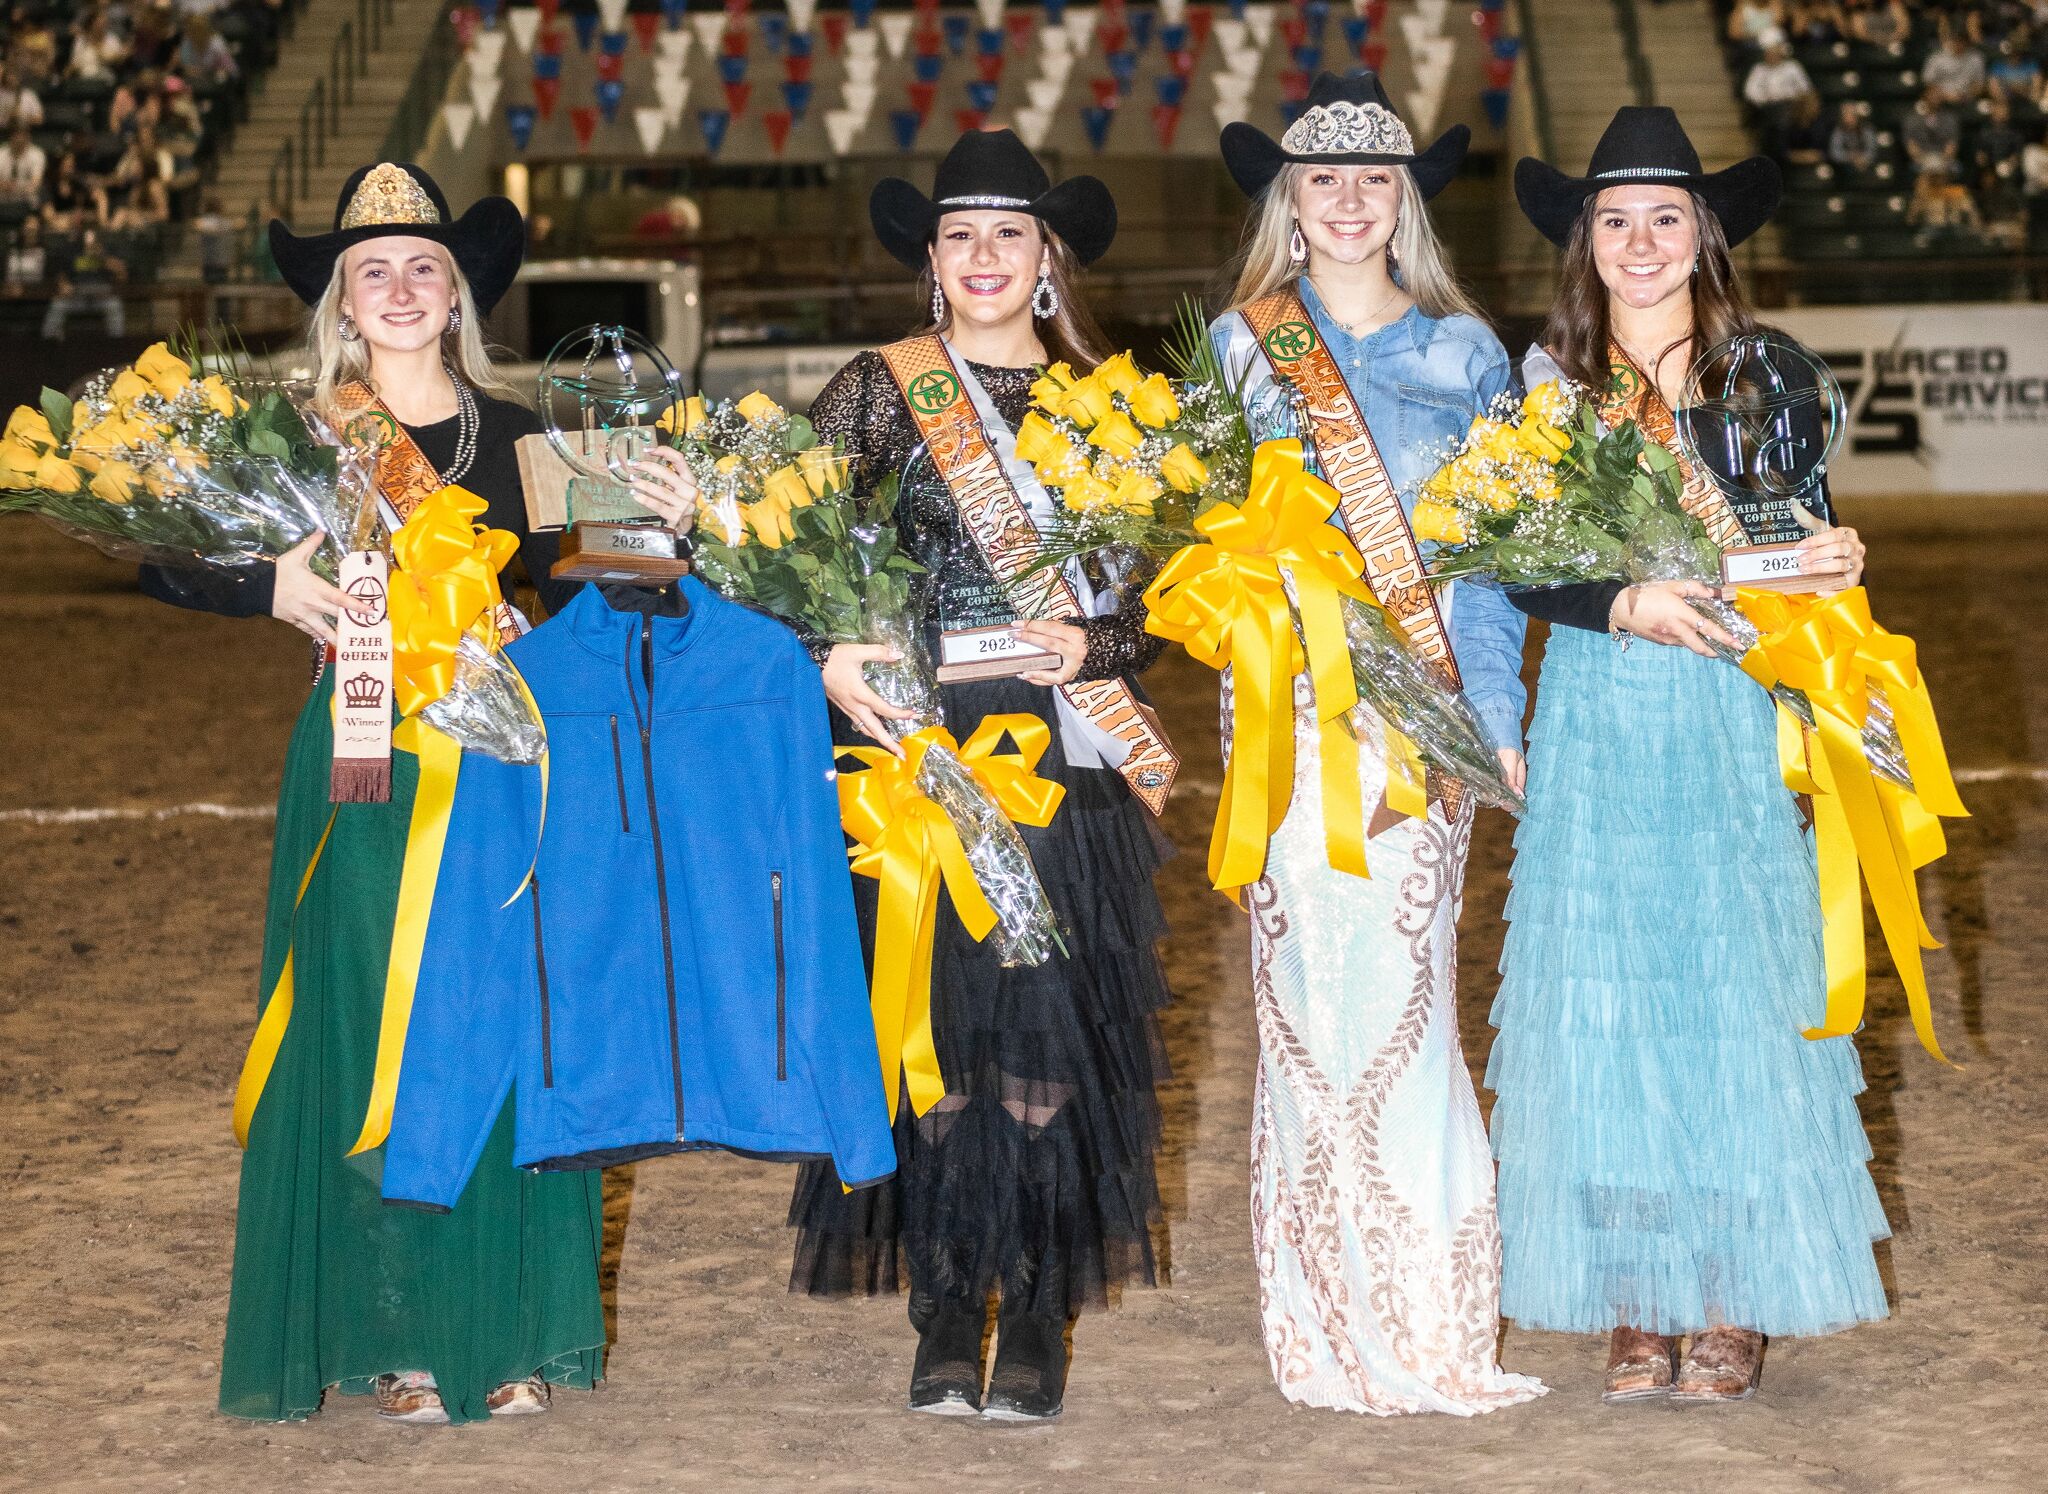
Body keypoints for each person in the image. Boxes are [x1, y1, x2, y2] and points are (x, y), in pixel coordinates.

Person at [137, 162, 699, 1426]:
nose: (398, 287)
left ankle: (497, 1326)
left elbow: (637, 579)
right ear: (341, 298)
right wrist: (262, 589)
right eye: (370, 268)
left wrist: (678, 512)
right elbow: (158, 551)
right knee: (362, 1031)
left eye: (422, 267)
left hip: (503, 765)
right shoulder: (297, 429)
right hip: (358, 762)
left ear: (457, 296)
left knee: (495, 1029)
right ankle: (396, 1335)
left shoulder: (527, 437)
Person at [1493, 106, 1884, 1406]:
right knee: (1610, 995)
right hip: (1600, 708)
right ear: (1586, 243)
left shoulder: (1758, 373)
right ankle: (1638, 1294)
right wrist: (1619, 602)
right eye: (1617, 219)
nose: (1643, 241)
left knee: (1729, 989)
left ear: (1705, 234)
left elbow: (1797, 550)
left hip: (1726, 716)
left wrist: (1832, 560)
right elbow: (1514, 561)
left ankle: (1728, 1293)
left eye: (1668, 216)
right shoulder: (1543, 380)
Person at [787, 128, 1175, 1422]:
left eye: (1012, 233)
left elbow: (1158, 600)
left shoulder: (1108, 401)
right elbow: (776, 553)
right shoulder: (877, 391)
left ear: (1049, 260)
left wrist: (1095, 639)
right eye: (961, 234)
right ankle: (950, 1295)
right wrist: (829, 654)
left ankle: (1041, 1301)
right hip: (912, 747)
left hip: (1059, 755)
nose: (986, 255)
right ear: (932, 262)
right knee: (939, 1032)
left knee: (1044, 1031)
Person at [1199, 71, 1542, 1418]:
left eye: (1374, 180)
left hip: (1419, 721)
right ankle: (1322, 1319)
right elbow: (1202, 553)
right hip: (1285, 726)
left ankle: (1426, 1314)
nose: (1348, 202)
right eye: (1322, 181)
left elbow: (1498, 569)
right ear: (1291, 202)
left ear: (1405, 201)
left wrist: (1498, 726)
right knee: (1298, 1017)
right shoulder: (1237, 347)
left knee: (1406, 1010)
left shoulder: (1470, 359)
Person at [39, 225, 125, 339]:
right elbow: (61, 273)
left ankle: (116, 347)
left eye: (93, 239)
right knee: (58, 305)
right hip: (76, 295)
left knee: (114, 305)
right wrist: (64, 284)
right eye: (87, 238)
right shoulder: (72, 251)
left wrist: (101, 256)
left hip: (101, 295)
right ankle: (47, 344)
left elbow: (121, 272)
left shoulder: (106, 251)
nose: (89, 242)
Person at [1924, 27, 1990, 102]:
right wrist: (1945, 95)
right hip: (1940, 97)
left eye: (1961, 41)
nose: (1958, 44)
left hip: (1967, 99)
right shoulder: (1937, 57)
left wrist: (1965, 96)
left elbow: (1979, 85)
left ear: (1967, 42)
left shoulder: (1976, 58)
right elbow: (1928, 82)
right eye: (1955, 40)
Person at [1827, 100, 1881, 172]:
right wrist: (1851, 157)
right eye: (1846, 115)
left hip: (1867, 165)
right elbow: (1834, 153)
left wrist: (1862, 159)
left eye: (1851, 115)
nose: (1849, 118)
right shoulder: (1838, 131)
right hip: (1845, 168)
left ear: (1857, 116)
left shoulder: (1867, 129)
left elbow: (1872, 151)